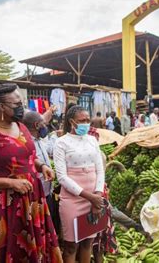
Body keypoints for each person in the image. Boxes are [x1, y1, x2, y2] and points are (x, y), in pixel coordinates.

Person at [0, 83, 62, 263]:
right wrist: (10, 183)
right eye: (16, 104)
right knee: (11, 250)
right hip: (6, 205)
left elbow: (27, 156)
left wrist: (41, 165)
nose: (21, 108)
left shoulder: (21, 127)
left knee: (36, 249)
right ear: (1, 107)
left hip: (33, 199)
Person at [54, 105, 105, 263]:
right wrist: (90, 197)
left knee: (88, 242)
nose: (86, 123)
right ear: (72, 122)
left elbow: (100, 170)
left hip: (94, 199)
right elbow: (62, 177)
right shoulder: (61, 143)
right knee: (71, 246)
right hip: (72, 200)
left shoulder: (92, 140)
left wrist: (97, 197)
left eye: (88, 120)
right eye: (82, 120)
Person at [22, 111, 56, 216]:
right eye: (44, 124)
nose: (45, 126)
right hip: (37, 196)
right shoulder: (27, 144)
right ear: (37, 125)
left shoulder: (40, 141)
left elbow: (51, 150)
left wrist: (54, 136)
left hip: (47, 193)